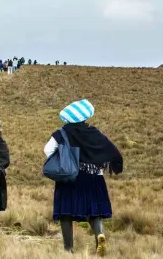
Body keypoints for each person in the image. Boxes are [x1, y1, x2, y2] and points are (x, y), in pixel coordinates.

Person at [44, 99, 123, 256]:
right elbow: (113, 153)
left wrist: (64, 160)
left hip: (71, 177)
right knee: (94, 212)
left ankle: (68, 249)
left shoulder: (61, 133)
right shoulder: (95, 133)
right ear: (85, 117)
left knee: (65, 213)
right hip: (94, 178)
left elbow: (47, 150)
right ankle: (99, 235)